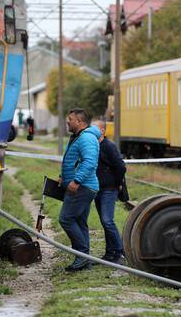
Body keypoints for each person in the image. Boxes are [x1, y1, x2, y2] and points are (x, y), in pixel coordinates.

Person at [58, 108, 100, 272]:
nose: (67, 121)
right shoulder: (78, 137)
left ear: (79, 121)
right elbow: (74, 160)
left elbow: (89, 162)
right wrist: (63, 176)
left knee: (66, 219)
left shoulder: (86, 138)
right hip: (83, 186)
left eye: (70, 119)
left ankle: (82, 256)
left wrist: (76, 181)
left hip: (82, 187)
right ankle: (84, 259)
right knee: (80, 222)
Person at [92, 119, 126, 264]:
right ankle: (109, 253)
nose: (91, 131)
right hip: (96, 189)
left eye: (95, 128)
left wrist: (118, 184)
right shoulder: (91, 146)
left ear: (103, 131)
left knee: (107, 221)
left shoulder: (109, 146)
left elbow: (121, 167)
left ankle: (120, 252)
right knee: (104, 222)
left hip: (109, 189)